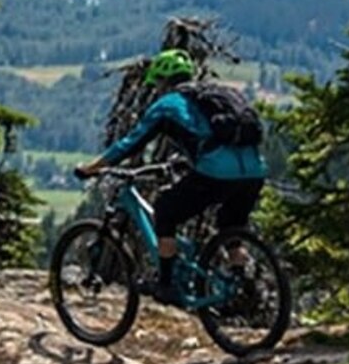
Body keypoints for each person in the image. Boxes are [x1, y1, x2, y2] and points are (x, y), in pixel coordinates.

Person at [74, 48, 268, 304]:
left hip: (218, 172)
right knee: (231, 225)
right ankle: (242, 282)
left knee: (165, 211)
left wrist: (93, 167)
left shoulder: (167, 105)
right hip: (254, 171)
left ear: (162, 82)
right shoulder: (215, 96)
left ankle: (166, 286)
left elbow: (131, 142)